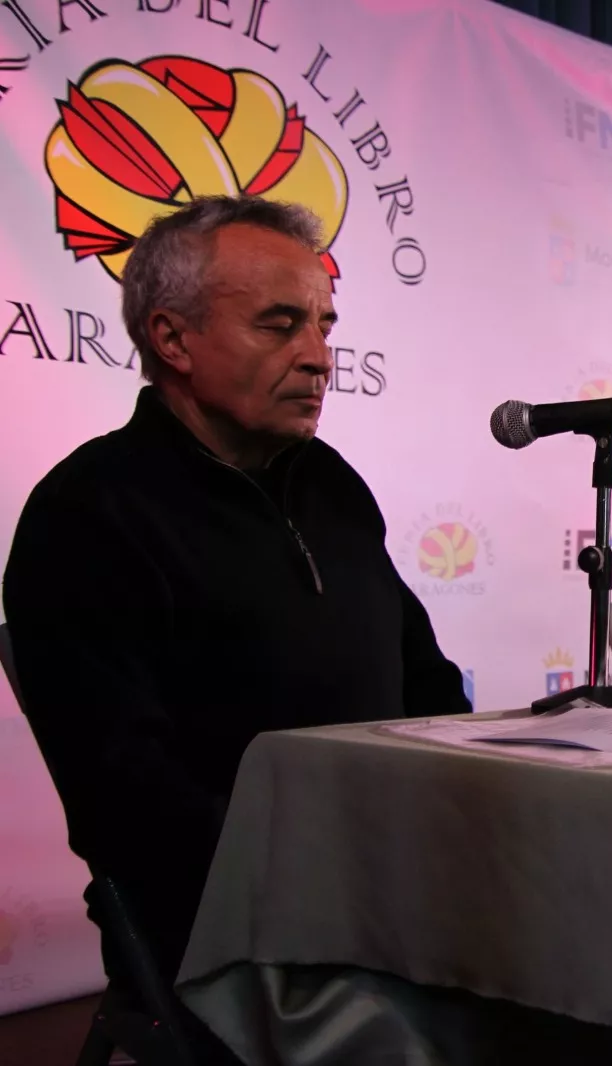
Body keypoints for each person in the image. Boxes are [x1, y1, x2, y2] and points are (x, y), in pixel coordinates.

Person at [3, 197, 469, 991]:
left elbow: (427, 687)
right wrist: (351, 867)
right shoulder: (87, 514)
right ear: (172, 338)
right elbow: (131, 806)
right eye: (280, 324)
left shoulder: (333, 488)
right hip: (232, 934)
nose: (319, 356)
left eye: (325, 325)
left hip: (397, 892)